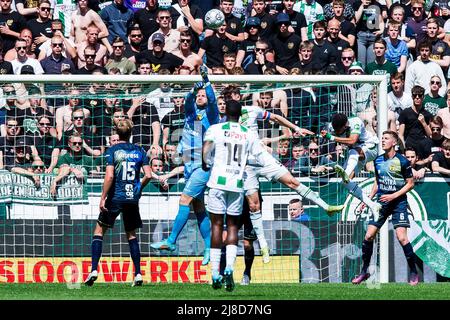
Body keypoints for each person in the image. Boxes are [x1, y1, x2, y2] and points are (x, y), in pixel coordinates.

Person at [224, 85, 344, 263]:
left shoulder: (252, 110)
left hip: (262, 158)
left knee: (292, 181)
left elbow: (276, 117)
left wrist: (295, 128)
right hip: (245, 166)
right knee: (254, 206)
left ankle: (325, 206)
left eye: (234, 95)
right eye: (229, 97)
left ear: (239, 97)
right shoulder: (224, 122)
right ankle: (264, 246)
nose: (232, 99)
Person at [150, 66, 219, 266]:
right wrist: (191, 90)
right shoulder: (190, 114)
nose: (200, 97)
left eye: (202, 95)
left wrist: (206, 81)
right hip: (189, 166)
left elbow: (213, 100)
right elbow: (188, 101)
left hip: (203, 166)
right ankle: (208, 249)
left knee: (184, 200)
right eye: (198, 95)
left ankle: (171, 241)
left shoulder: (212, 116)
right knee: (199, 209)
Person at [202, 99, 266, 291]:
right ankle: (229, 268)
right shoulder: (248, 133)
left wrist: (206, 163)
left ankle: (215, 273)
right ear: (240, 115)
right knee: (232, 227)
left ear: (225, 113)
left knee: (216, 225)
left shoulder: (216, 128)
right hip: (237, 184)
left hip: (217, 182)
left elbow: (206, 149)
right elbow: (259, 157)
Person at [85, 119, 152, 287]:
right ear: (131, 133)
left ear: (116, 133)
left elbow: (110, 176)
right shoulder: (140, 150)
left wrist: (102, 197)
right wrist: (138, 188)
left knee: (99, 231)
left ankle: (93, 269)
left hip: (115, 196)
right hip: (132, 198)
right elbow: (149, 175)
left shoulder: (113, 150)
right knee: (131, 234)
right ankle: (137, 273)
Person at [352, 130, 419, 286]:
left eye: (386, 139)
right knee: (368, 236)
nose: (382, 141)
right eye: (382, 138)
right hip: (381, 202)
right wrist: (367, 200)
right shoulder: (378, 160)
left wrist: (393, 196)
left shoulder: (402, 161)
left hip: (398, 202)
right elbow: (378, 181)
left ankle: (413, 271)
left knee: (402, 238)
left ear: (394, 142)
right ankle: (364, 271)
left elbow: (410, 183)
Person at [321, 113, 382, 219]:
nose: (336, 132)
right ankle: (372, 205)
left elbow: (353, 140)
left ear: (345, 126)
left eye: (338, 131)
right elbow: (325, 133)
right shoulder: (332, 127)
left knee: (354, 150)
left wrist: (331, 137)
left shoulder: (356, 122)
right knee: (345, 183)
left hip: (371, 147)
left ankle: (346, 172)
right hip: (356, 155)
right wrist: (323, 134)